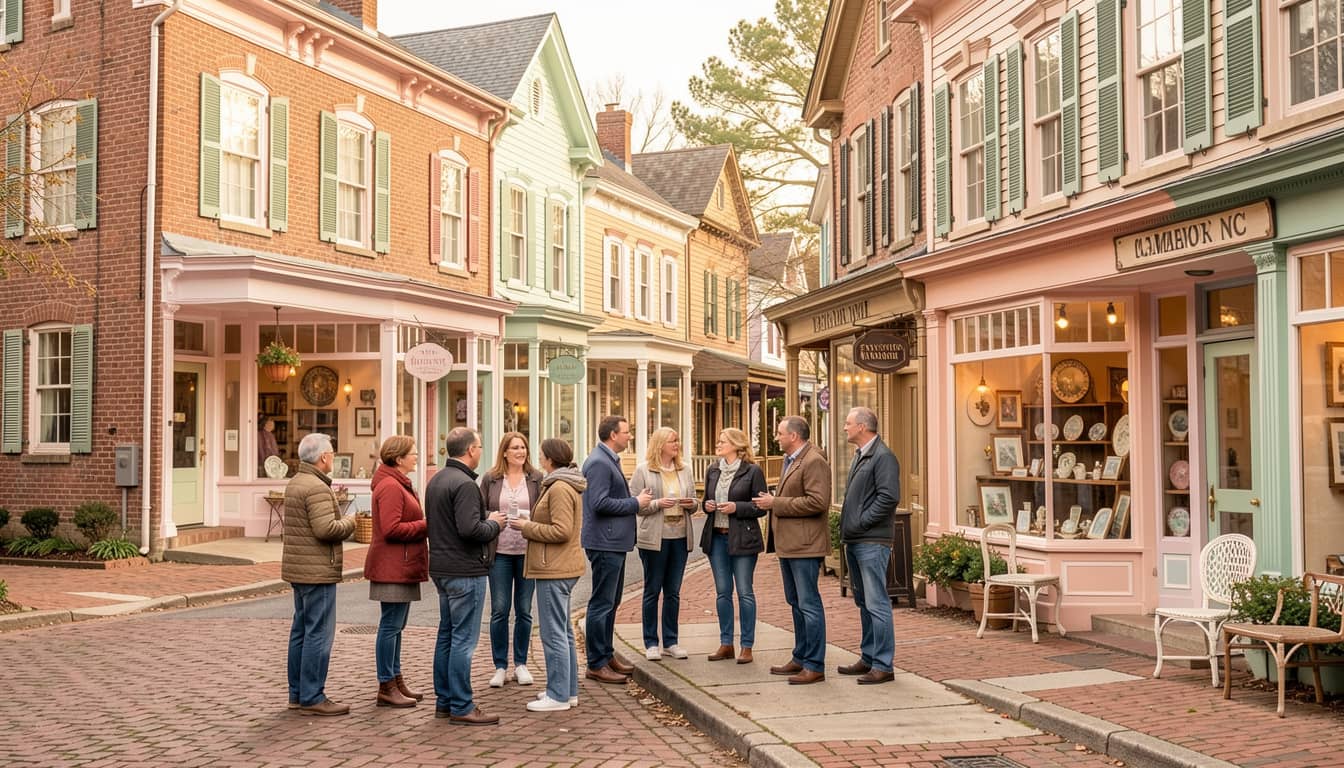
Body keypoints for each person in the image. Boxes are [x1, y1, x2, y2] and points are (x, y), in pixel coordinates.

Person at [426, 427, 507, 725]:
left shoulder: (436, 480)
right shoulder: (465, 484)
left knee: (447, 635)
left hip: (442, 568)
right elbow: (470, 530)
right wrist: (495, 523)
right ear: (471, 450)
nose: (481, 451)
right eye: (480, 446)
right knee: (463, 640)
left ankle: (445, 700)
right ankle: (461, 704)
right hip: (465, 570)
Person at [281, 432, 356, 716]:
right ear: (324, 457)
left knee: (300, 631)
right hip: (317, 570)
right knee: (319, 634)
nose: (334, 457)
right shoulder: (316, 487)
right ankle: (313, 695)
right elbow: (326, 529)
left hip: (299, 569)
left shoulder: (295, 482)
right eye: (332, 454)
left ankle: (297, 693)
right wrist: (349, 521)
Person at [754, 416, 832, 685]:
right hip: (789, 545)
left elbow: (818, 502)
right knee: (796, 602)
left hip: (805, 546)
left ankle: (815, 664)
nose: (776, 437)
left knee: (809, 605)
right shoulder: (792, 460)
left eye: (779, 433)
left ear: (794, 436)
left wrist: (776, 502)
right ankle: (800, 656)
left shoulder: (813, 461)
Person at [514, 438, 587, 712]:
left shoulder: (558, 488)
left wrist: (527, 526)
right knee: (563, 630)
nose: (539, 459)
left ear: (550, 459)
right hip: (560, 566)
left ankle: (557, 695)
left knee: (553, 632)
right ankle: (567, 691)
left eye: (541, 455)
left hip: (554, 568)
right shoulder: (564, 484)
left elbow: (561, 530)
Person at [581, 415, 652, 684]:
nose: (629, 436)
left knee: (612, 602)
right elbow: (599, 503)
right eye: (626, 432)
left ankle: (606, 654)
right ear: (613, 435)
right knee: (601, 603)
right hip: (604, 543)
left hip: (613, 542)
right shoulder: (599, 463)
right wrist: (635, 502)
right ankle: (596, 662)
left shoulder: (608, 459)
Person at [838, 406, 900, 685]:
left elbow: (888, 497)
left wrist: (862, 522)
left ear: (862, 427)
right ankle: (869, 656)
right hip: (856, 539)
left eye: (848, 423)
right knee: (863, 602)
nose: (845, 427)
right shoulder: (861, 455)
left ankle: (883, 664)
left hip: (872, 541)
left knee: (877, 603)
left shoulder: (883, 457)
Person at [366, 435, 429, 708]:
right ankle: (386, 685)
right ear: (399, 458)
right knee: (390, 626)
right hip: (392, 566)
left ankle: (396, 679)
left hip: (400, 564)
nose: (417, 456)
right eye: (413, 453)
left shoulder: (398, 482)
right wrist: (425, 525)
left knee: (397, 626)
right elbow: (390, 529)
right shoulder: (391, 486)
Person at [479, 432, 542, 689]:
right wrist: (493, 515)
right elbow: (478, 509)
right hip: (500, 552)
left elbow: (543, 511)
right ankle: (500, 666)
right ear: (504, 452)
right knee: (500, 610)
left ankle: (521, 664)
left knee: (525, 610)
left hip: (528, 552)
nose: (520, 451)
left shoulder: (537, 478)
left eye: (523, 447)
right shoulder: (491, 479)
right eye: (515, 447)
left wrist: (529, 519)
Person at [699, 428, 767, 665]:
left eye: (722, 441)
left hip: (743, 540)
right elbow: (705, 500)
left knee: (745, 592)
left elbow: (761, 506)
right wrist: (706, 505)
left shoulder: (752, 471)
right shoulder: (713, 469)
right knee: (722, 592)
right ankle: (726, 643)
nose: (718, 444)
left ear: (737, 445)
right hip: (716, 538)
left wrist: (737, 508)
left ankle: (746, 646)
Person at [629, 427, 697, 661]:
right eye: (672, 441)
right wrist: (658, 503)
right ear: (660, 445)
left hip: (679, 535)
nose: (676, 444)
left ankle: (671, 641)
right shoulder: (643, 471)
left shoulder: (685, 469)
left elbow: (695, 502)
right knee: (652, 590)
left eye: (677, 440)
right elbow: (635, 505)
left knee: (673, 592)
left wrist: (691, 503)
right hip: (654, 539)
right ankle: (650, 643)